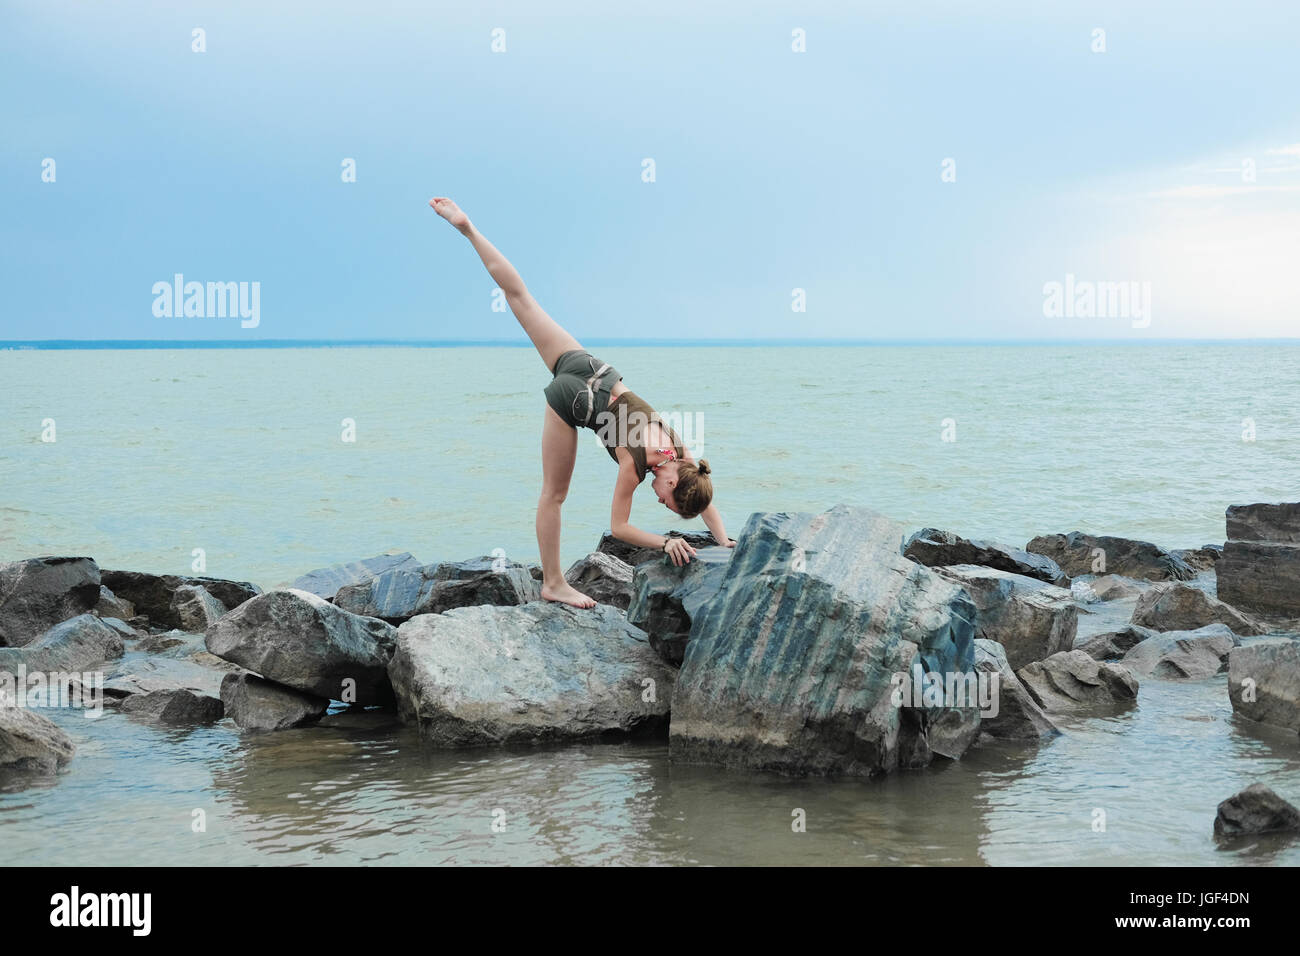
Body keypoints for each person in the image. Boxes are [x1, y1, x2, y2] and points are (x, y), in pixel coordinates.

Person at [430, 197, 735, 608]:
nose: (658, 499)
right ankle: (553, 583)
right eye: (665, 498)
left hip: (592, 368)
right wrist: (667, 542)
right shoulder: (636, 465)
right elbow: (620, 527)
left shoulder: (681, 450)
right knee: (553, 495)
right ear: (672, 479)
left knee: (520, 297)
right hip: (571, 399)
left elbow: (703, 497)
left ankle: (467, 228)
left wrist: (723, 540)